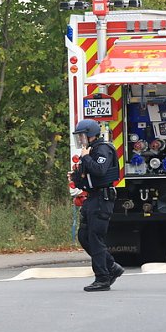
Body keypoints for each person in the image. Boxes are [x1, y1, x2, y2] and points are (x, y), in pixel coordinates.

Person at [69, 119, 125, 292]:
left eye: (83, 136)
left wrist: (86, 157)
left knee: (95, 237)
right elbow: (87, 179)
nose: (81, 140)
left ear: (91, 135)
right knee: (84, 236)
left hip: (102, 199)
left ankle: (102, 278)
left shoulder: (103, 149)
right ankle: (112, 267)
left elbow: (100, 170)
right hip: (92, 198)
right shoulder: (90, 151)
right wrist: (75, 177)